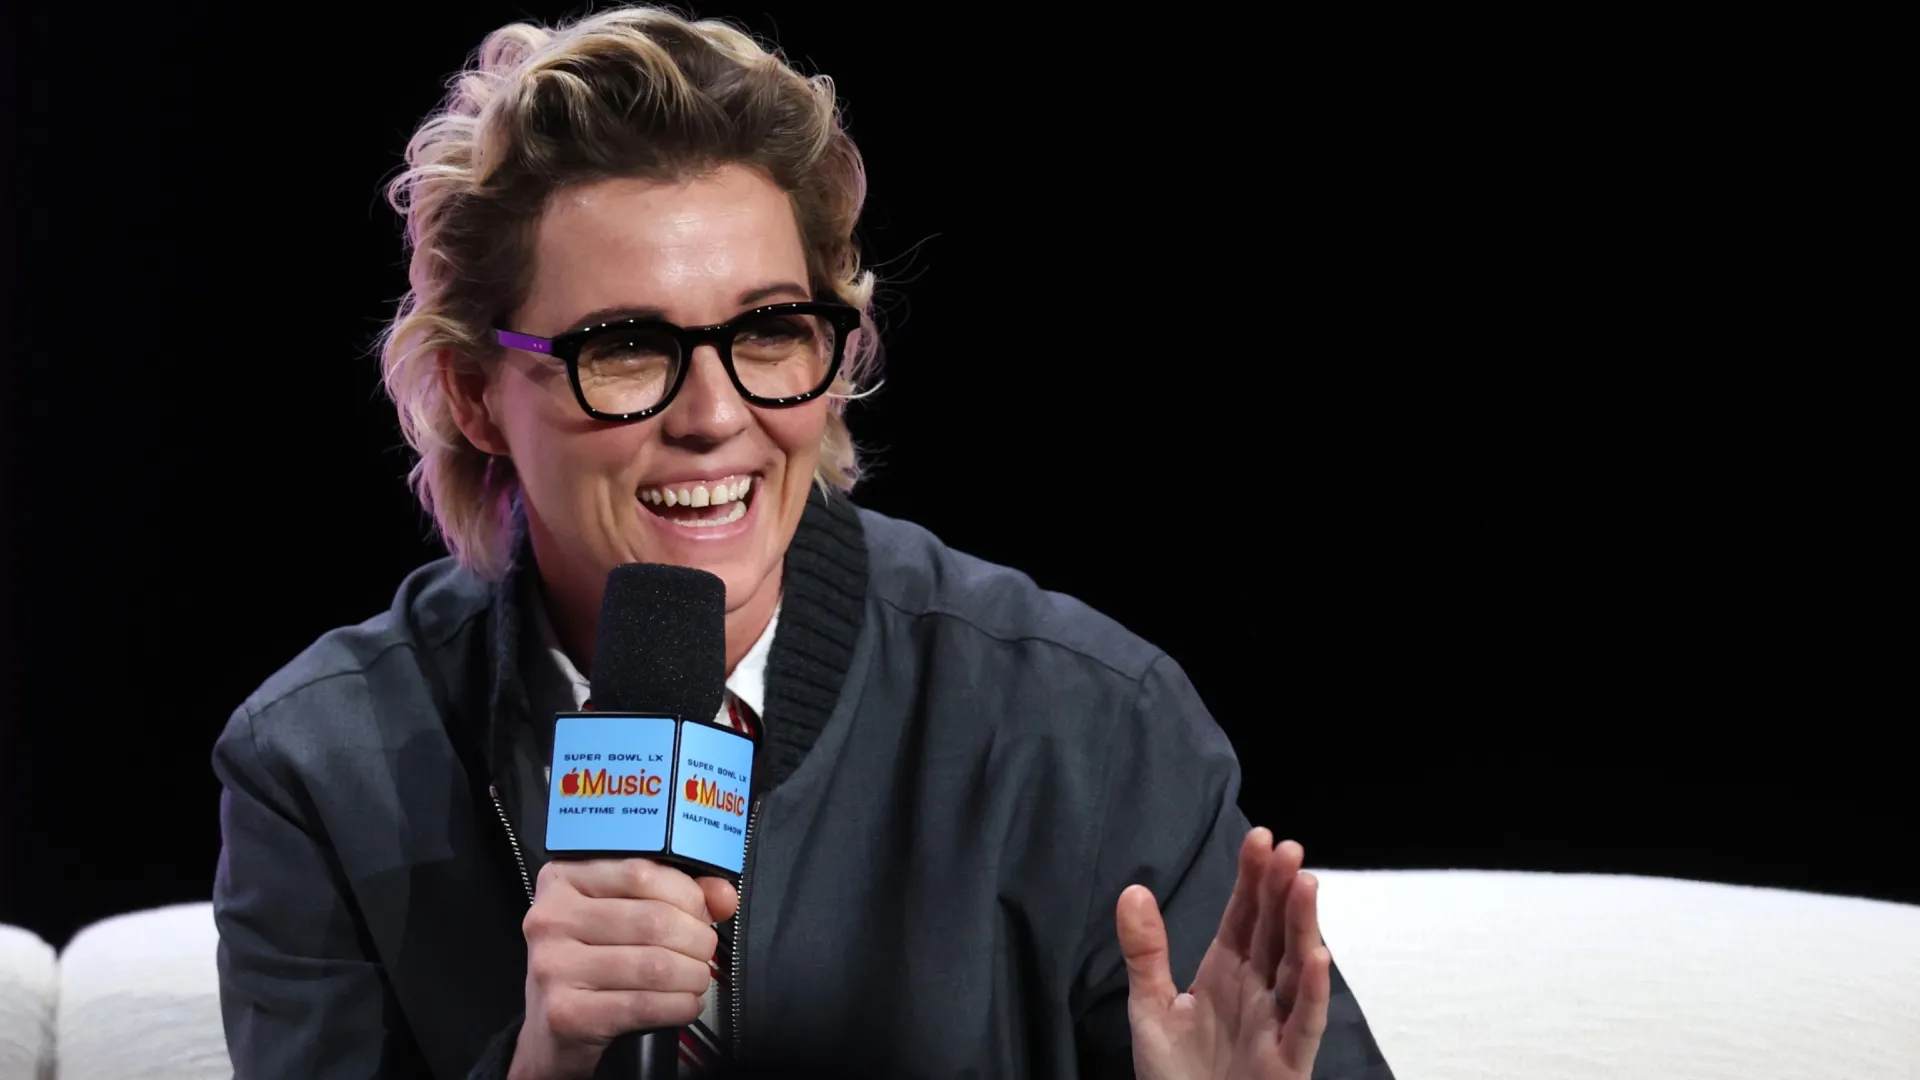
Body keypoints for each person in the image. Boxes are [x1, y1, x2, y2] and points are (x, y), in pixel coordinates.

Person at [209, 7, 1396, 1079]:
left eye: (772, 334)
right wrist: (544, 1064)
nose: (716, 416)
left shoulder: (1082, 722)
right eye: (625, 348)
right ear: (475, 396)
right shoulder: (323, 768)